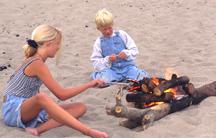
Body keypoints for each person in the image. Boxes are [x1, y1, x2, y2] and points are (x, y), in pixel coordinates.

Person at [1, 24, 108, 138]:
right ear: (49, 43)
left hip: (28, 107)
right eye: (57, 44)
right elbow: (62, 95)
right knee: (42, 97)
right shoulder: (36, 63)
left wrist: (91, 84)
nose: (58, 48)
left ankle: (37, 130)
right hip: (14, 110)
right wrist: (90, 84)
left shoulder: (36, 60)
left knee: (80, 107)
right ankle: (88, 132)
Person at [90, 8, 150, 84]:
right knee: (102, 81)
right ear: (98, 29)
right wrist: (108, 59)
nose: (108, 31)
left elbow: (134, 50)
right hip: (112, 70)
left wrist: (126, 53)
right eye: (104, 29)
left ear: (112, 25)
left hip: (128, 68)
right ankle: (112, 78)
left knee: (142, 77)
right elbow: (95, 62)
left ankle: (128, 77)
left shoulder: (122, 35)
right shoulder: (99, 42)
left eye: (109, 28)